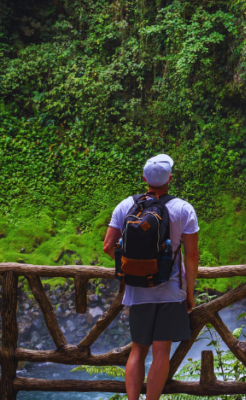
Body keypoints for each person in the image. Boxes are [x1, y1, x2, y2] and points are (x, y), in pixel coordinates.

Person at [103, 154, 200, 400]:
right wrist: (189, 293)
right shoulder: (183, 209)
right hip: (171, 290)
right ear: (170, 178)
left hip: (137, 290)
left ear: (144, 178)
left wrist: (133, 265)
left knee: (137, 350)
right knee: (160, 352)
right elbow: (192, 256)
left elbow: (108, 246)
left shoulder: (126, 205)